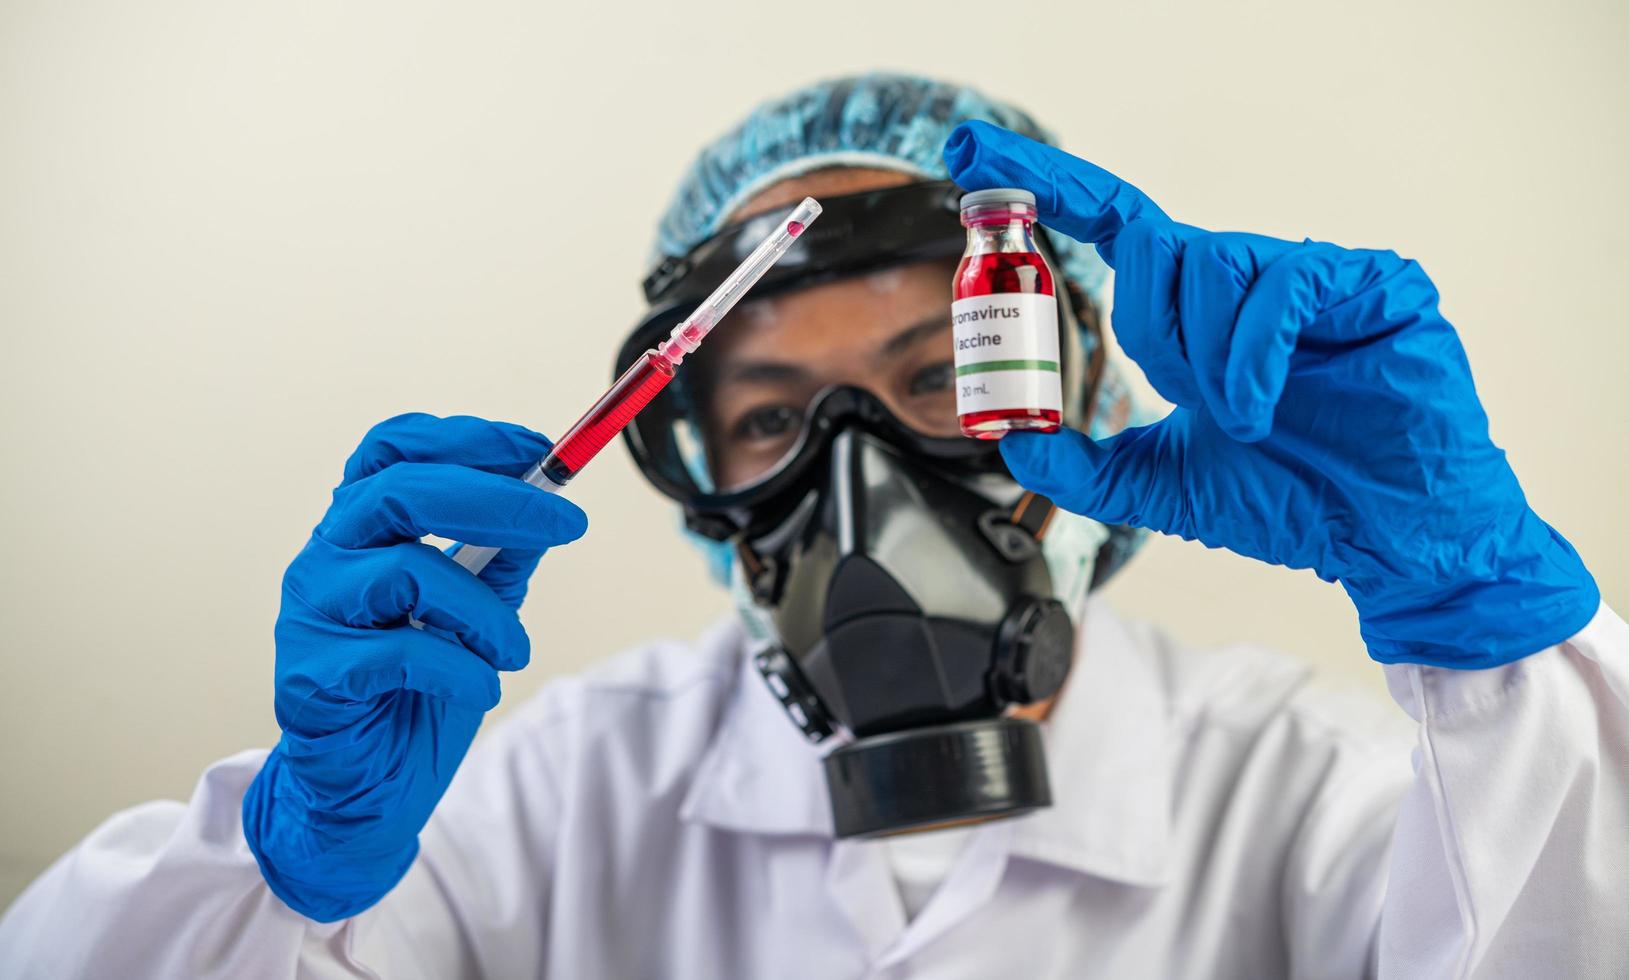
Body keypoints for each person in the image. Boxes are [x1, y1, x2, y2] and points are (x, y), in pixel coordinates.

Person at [1, 73, 1623, 979]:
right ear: (698, 485)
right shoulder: (555, 803)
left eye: (941, 382)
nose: (864, 491)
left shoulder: (1309, 800)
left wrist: (1494, 643)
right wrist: (275, 877)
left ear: (1085, 404)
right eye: (773, 421)